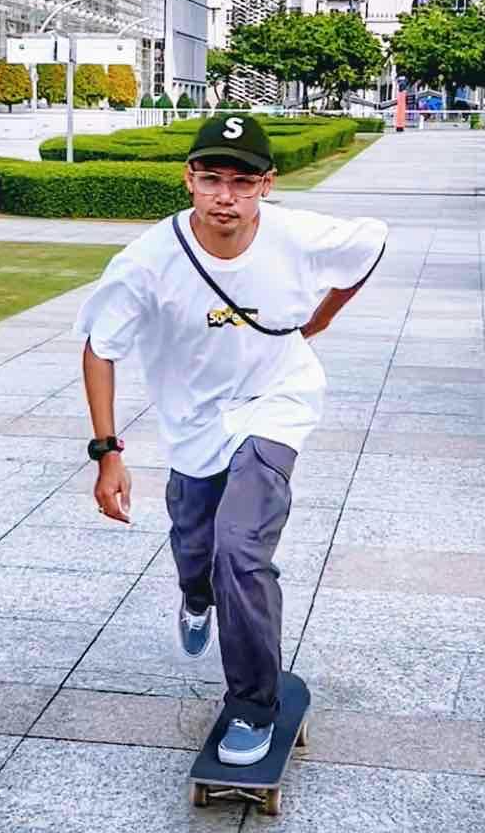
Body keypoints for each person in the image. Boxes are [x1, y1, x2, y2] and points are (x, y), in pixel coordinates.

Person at [76, 112, 386, 767]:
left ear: (266, 186)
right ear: (188, 179)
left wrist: (317, 320)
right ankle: (195, 597)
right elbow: (99, 349)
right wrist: (107, 453)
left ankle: (251, 703)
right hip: (192, 423)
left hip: (276, 402)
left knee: (239, 549)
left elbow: (368, 248)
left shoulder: (298, 235)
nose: (226, 196)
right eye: (212, 178)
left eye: (242, 183)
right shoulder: (147, 263)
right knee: (197, 549)